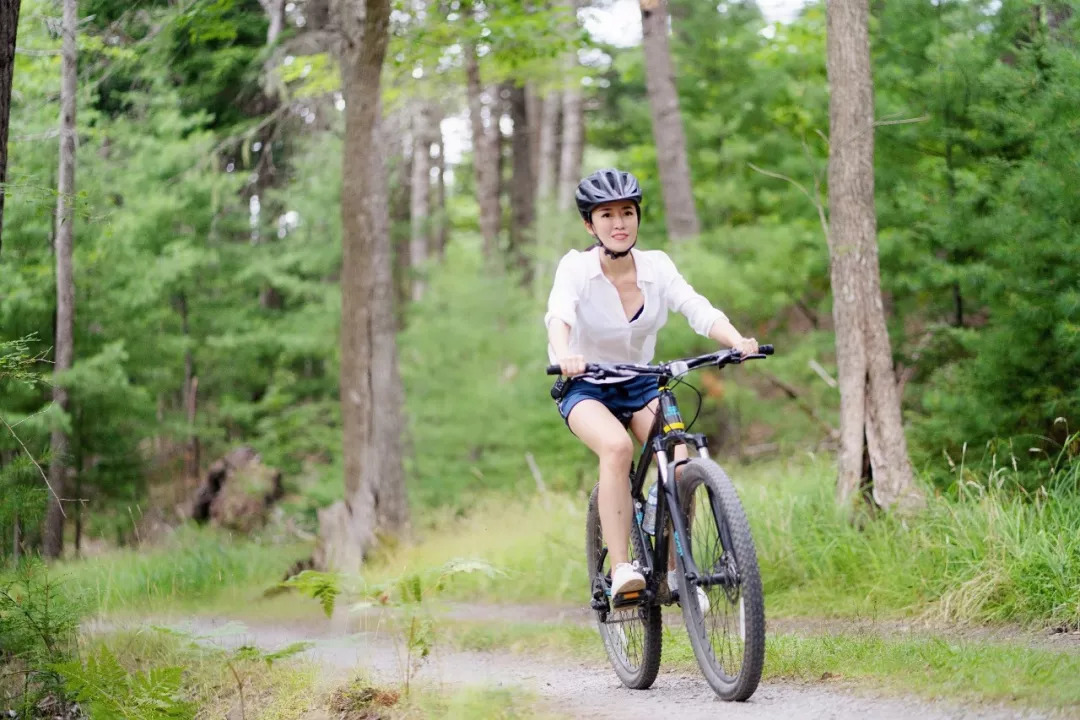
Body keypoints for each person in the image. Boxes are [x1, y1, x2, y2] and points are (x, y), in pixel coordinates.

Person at [545, 168, 758, 600]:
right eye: (606, 215)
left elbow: (696, 307)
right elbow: (558, 315)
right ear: (590, 224)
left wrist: (737, 341)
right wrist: (565, 352)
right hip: (585, 386)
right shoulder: (576, 268)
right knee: (617, 448)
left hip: (640, 383)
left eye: (627, 212)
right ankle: (623, 568)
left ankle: (678, 572)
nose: (619, 223)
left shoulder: (657, 266)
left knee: (680, 461)